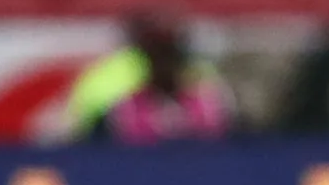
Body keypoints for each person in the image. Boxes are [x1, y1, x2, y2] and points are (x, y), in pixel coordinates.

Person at [67, 12, 231, 143]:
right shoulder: (128, 106)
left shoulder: (205, 101)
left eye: (169, 55)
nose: (164, 64)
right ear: (146, 59)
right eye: (157, 56)